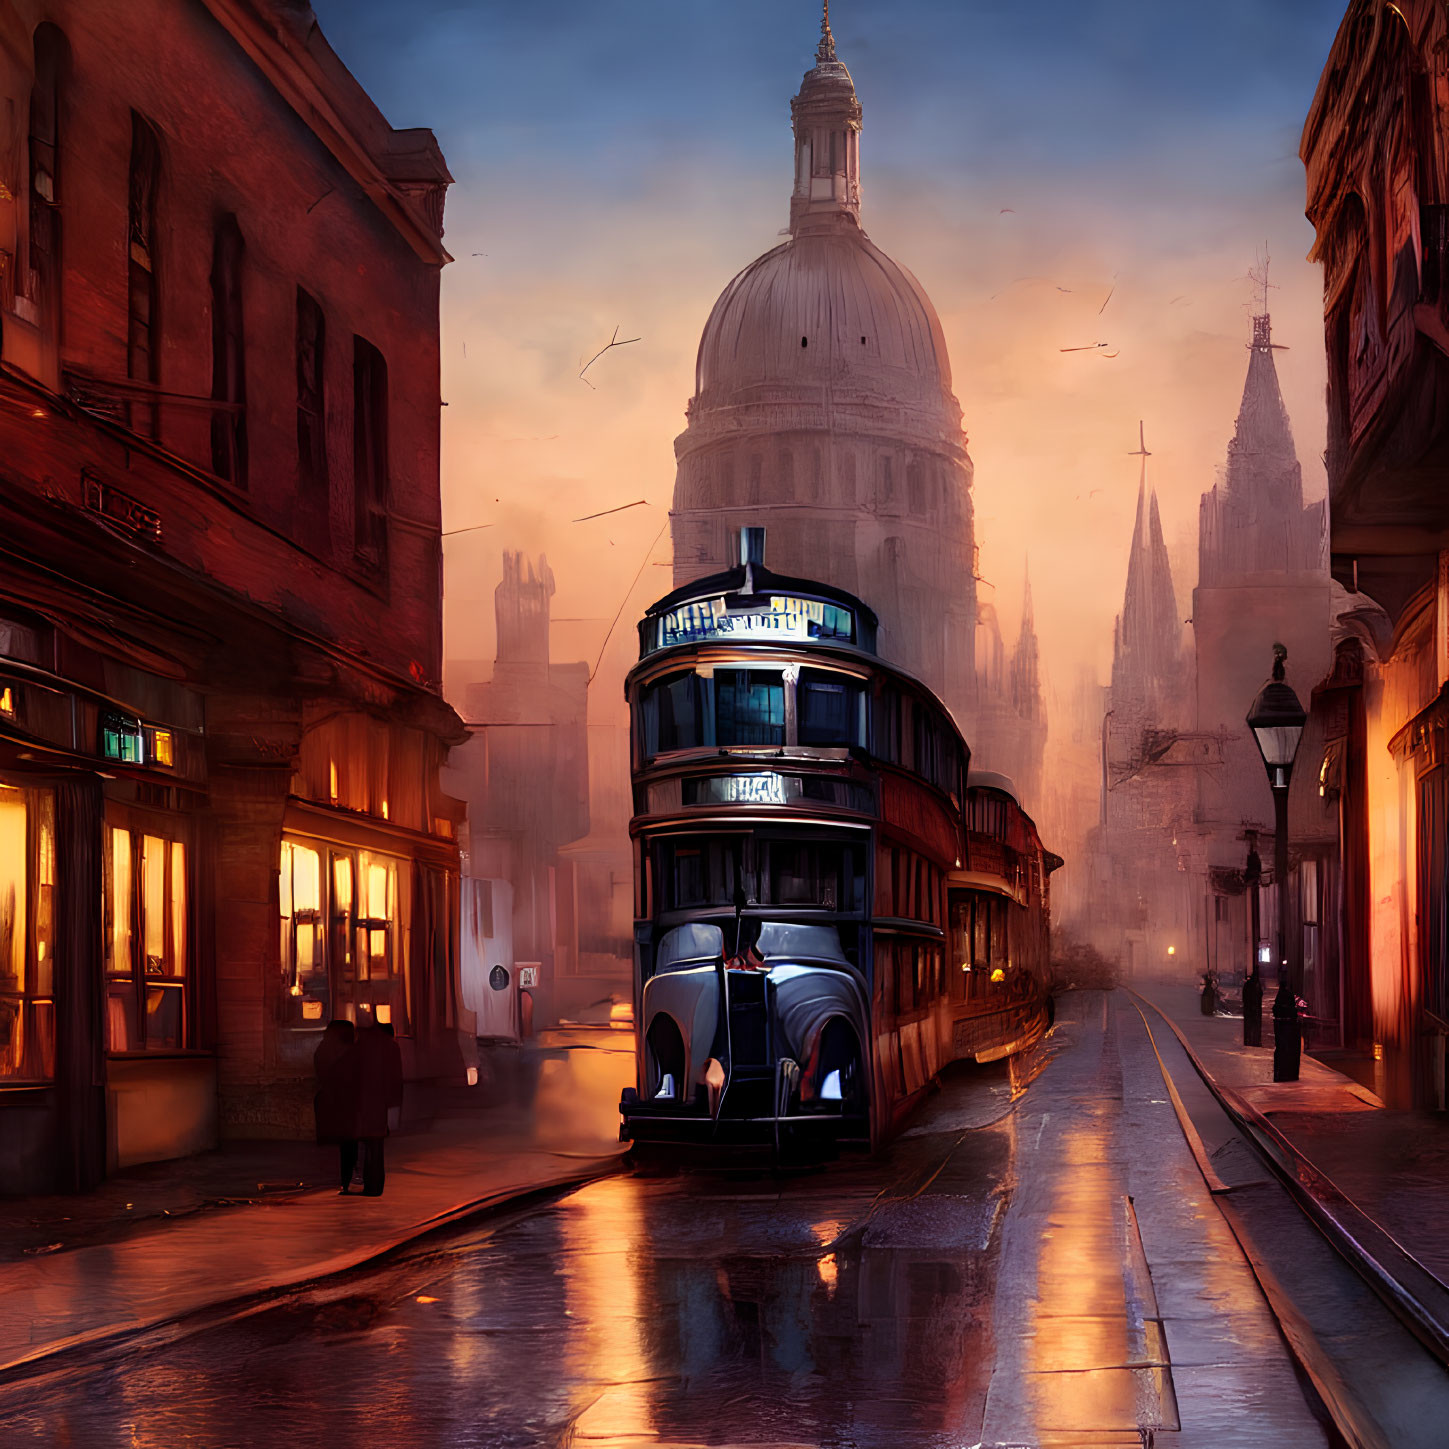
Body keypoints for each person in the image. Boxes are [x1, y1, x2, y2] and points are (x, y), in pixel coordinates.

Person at [355, 1020, 403, 1196]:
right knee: (376, 1147)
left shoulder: (359, 1047)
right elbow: (395, 1079)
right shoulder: (391, 1047)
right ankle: (376, 1185)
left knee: (365, 1146)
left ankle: (368, 1184)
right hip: (380, 1104)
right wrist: (394, 1105)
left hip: (362, 1104)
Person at [313, 1019, 359, 1193]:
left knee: (342, 1146)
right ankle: (345, 1179)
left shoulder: (325, 1050)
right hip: (345, 1104)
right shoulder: (348, 1053)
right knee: (348, 1145)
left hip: (335, 1103)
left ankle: (343, 1180)